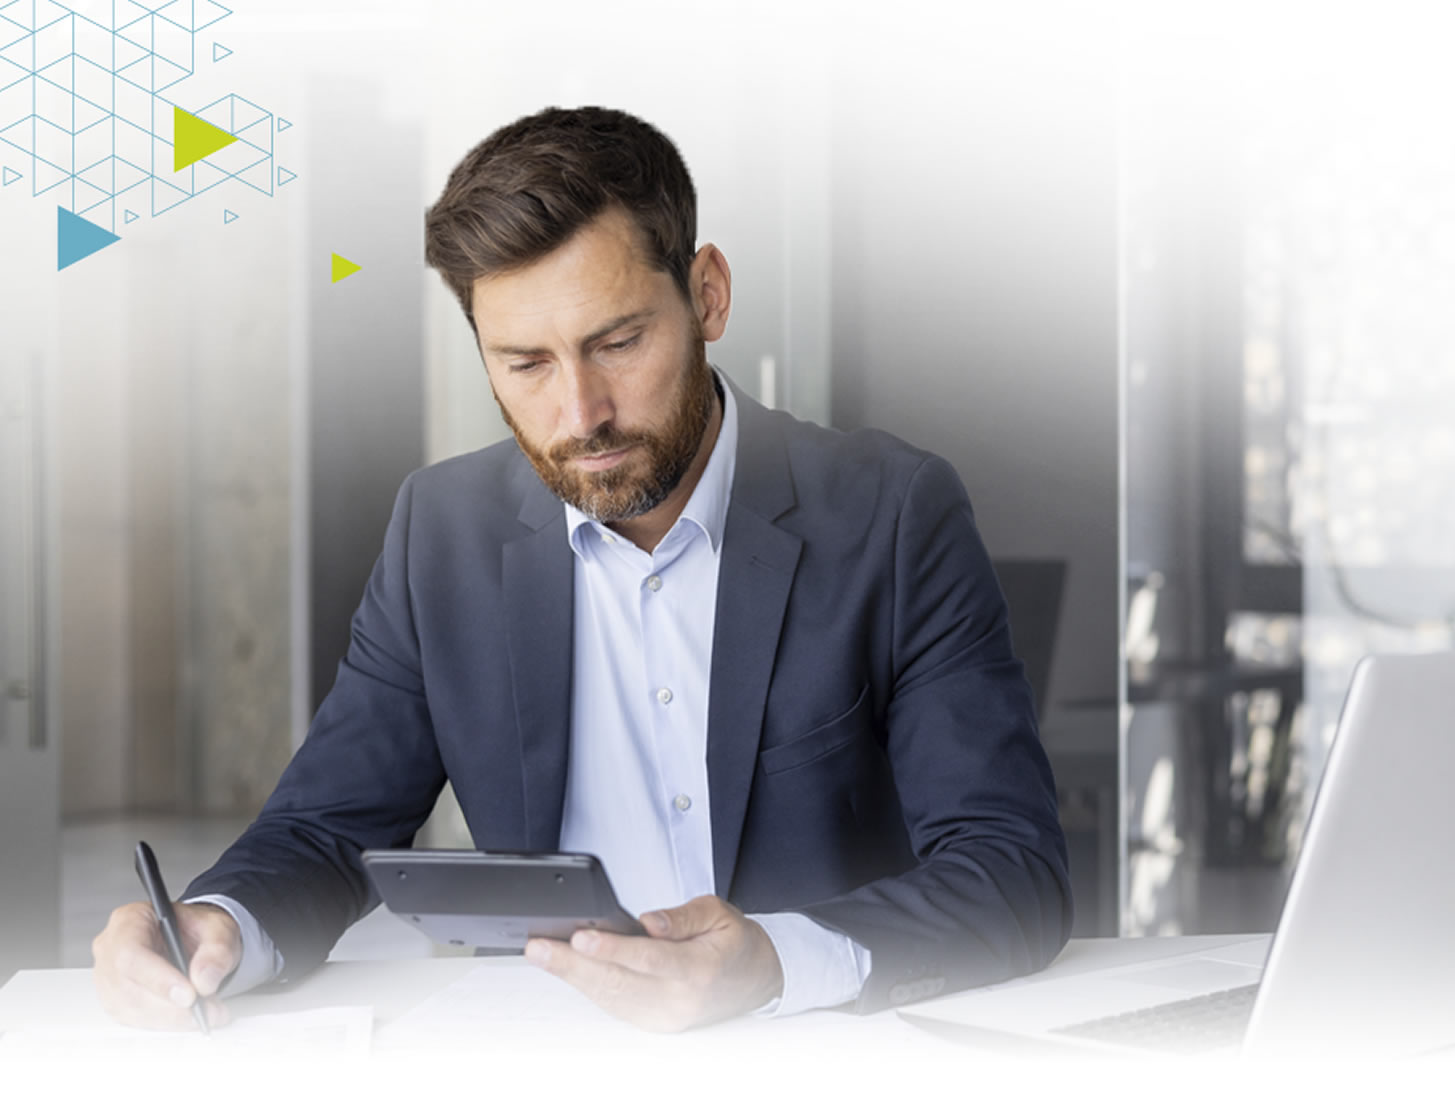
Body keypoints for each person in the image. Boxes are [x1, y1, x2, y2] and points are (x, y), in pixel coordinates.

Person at [91, 106, 1072, 1033]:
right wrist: (216, 923)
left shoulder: (890, 514)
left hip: (816, 1045)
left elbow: (1011, 866)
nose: (581, 414)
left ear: (708, 295)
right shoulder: (441, 532)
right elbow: (321, 828)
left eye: (618, 343)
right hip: (546, 1048)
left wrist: (772, 962)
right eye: (526, 363)